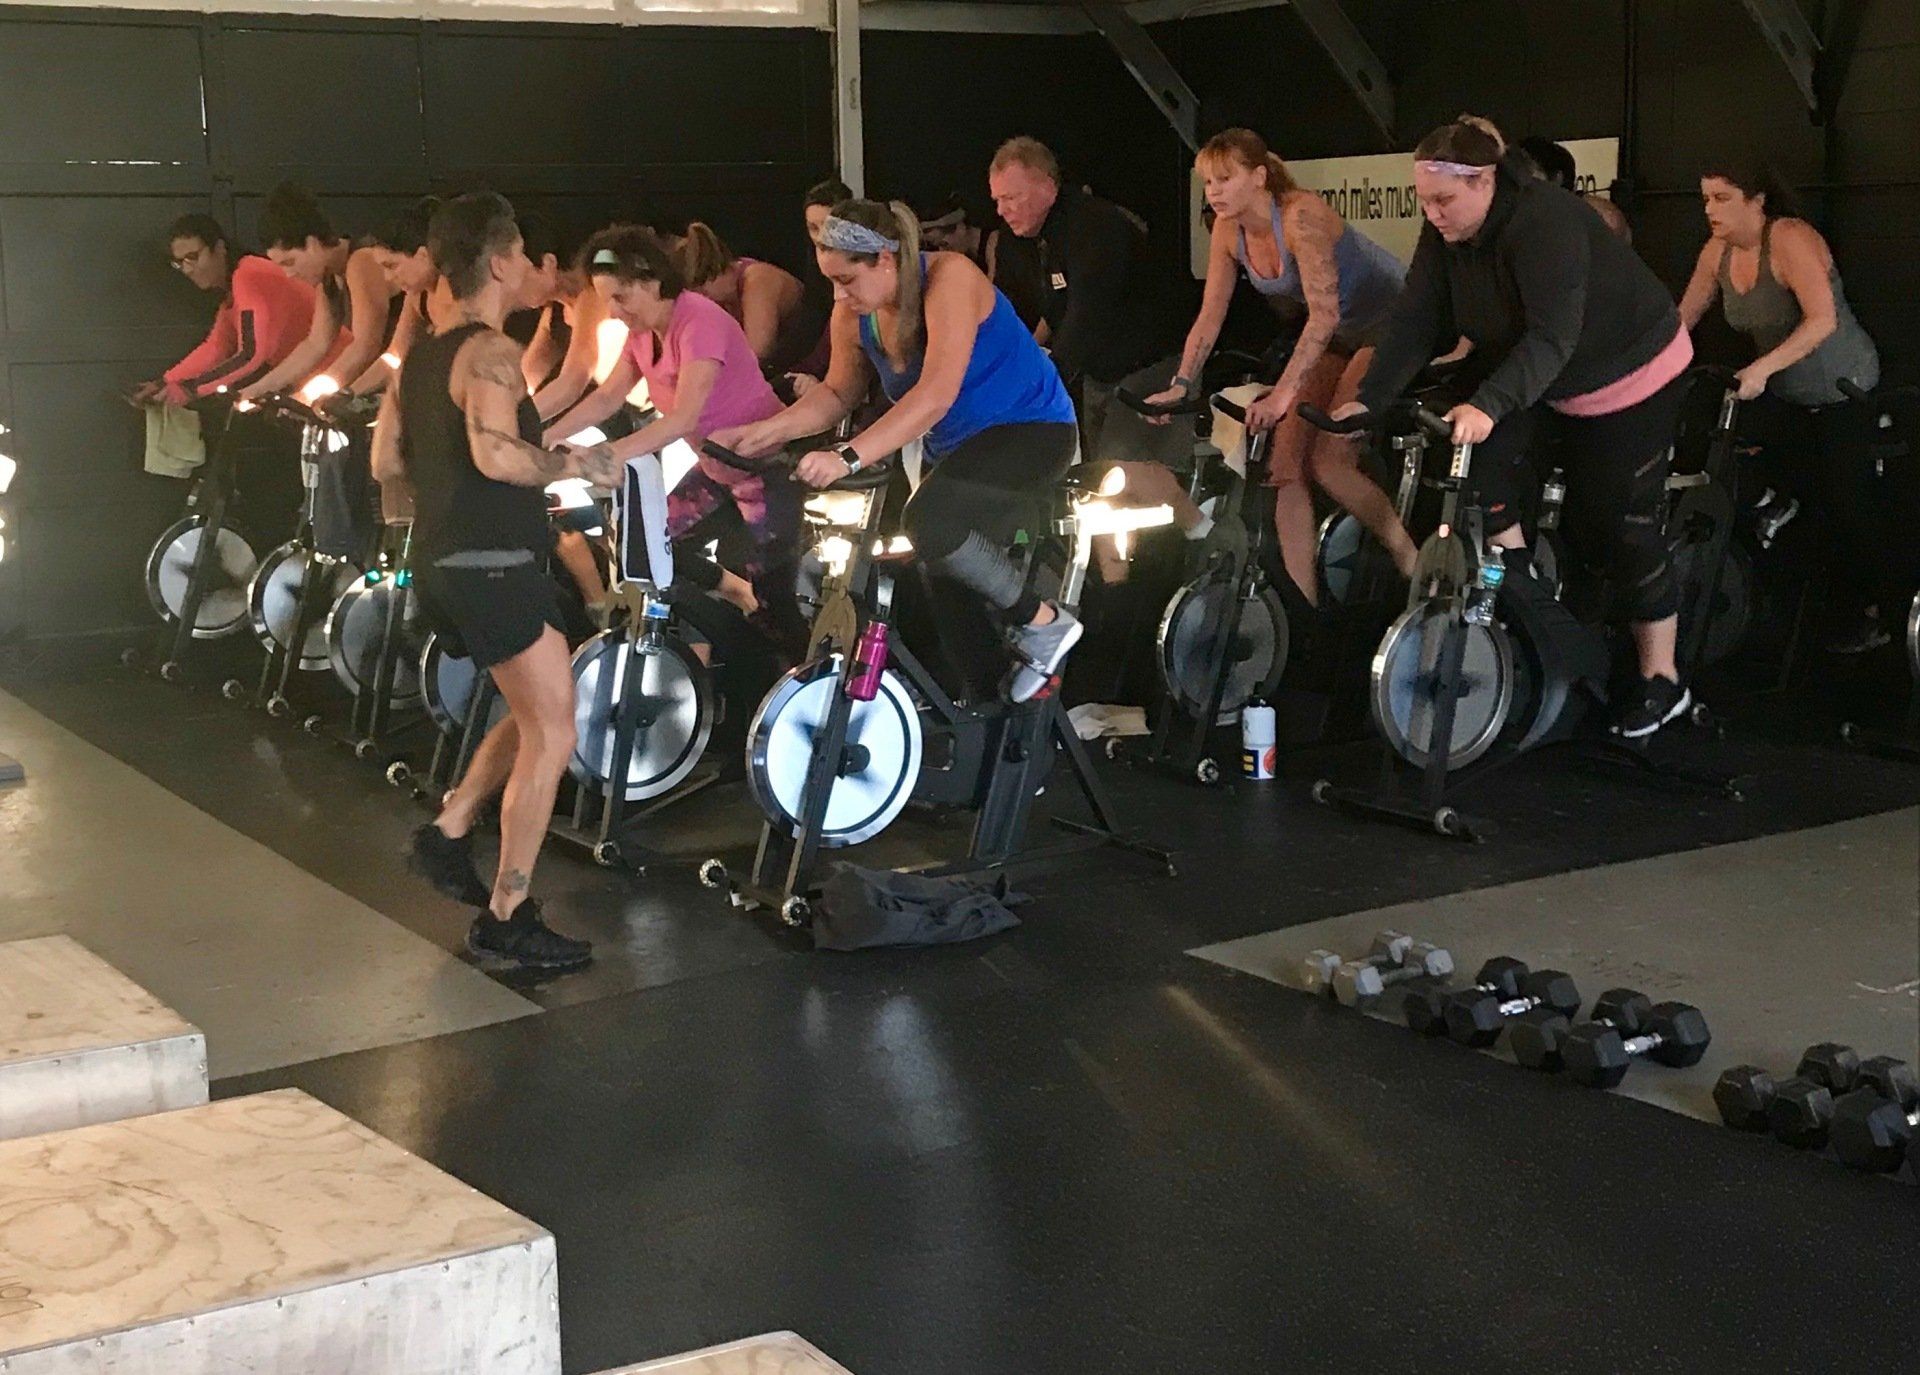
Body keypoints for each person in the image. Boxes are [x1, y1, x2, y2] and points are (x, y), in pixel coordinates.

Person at [1334, 116, 1699, 739]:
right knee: (1473, 461)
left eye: (1443, 200)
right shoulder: (1447, 229)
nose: (1432, 213)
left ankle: (1662, 679)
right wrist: (1368, 401)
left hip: (1630, 371)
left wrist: (1491, 404)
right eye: (1424, 201)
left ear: (1485, 182)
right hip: (1544, 373)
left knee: (1617, 523)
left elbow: (1554, 336)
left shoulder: (1544, 222)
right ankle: (1524, 585)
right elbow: (1416, 318)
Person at [374, 192, 620, 971]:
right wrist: (577, 463)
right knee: (555, 731)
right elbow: (496, 455)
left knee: (536, 704)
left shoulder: (421, 357)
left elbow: (386, 461)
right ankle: (508, 916)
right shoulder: (491, 351)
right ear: (503, 260)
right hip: (492, 565)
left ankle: (450, 832)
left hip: (447, 559)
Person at [710, 198, 1084, 704]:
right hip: (959, 446)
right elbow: (837, 393)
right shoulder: (854, 312)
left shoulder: (949, 278)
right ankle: (987, 706)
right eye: (830, 281)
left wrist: (847, 456)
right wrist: (764, 432)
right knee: (942, 573)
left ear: (885, 259)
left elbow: (935, 395)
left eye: (846, 279)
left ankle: (1044, 622)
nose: (839, 295)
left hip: (1032, 430)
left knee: (928, 522)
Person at [1145, 128, 1414, 601]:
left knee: (1328, 462)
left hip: (1390, 325)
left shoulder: (1299, 216)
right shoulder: (1227, 230)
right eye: (1208, 183)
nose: (1214, 192)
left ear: (1259, 177)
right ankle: (1302, 606)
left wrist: (1284, 393)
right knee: (1283, 467)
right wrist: (1183, 382)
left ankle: (1413, 561)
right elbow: (1211, 314)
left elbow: (1324, 314)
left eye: (1225, 179)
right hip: (1338, 335)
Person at [548, 225, 805, 658]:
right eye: (608, 300)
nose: (613, 311)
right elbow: (608, 397)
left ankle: (800, 675)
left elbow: (684, 417)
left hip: (765, 468)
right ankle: (727, 614)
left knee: (775, 603)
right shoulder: (643, 333)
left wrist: (603, 455)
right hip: (718, 467)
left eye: (620, 297)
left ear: (651, 282)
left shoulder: (698, 320)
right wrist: (546, 436)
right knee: (652, 548)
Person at [1678, 162, 1886, 651]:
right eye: (1705, 199)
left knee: (1848, 506)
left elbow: (1822, 321)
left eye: (1723, 198)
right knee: (1751, 468)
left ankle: (1876, 614)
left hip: (1844, 389)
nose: (1710, 210)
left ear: (1757, 201)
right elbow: (1682, 319)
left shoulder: (1789, 238)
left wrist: (1762, 369)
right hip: (1786, 394)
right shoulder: (1717, 252)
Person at [987, 137, 1178, 458]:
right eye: (997, 200)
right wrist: (1026, 364)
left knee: (1128, 474)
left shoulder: (1092, 227)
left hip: (1147, 370)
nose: (1002, 210)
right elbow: (1056, 309)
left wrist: (1039, 385)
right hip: (1100, 374)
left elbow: (1085, 315)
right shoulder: (1047, 236)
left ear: (1048, 187)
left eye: (1011, 197)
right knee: (1097, 468)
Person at [140, 214, 317, 405]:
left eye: (193, 257)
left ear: (219, 248)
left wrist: (189, 389)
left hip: (322, 377)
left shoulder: (248, 274)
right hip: (311, 378)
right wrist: (165, 382)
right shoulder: (237, 283)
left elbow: (250, 354)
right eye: (179, 262)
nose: (187, 269)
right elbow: (218, 346)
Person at [242, 183, 384, 402]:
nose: (289, 274)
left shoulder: (360, 261)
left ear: (313, 243)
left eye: (289, 262)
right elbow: (315, 344)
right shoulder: (329, 278)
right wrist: (256, 390)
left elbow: (365, 346)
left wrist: (309, 397)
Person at [676, 222, 810, 373]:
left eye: (702, 293)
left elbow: (758, 356)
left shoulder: (758, 281)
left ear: (714, 272)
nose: (704, 301)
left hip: (809, 363)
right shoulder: (724, 296)